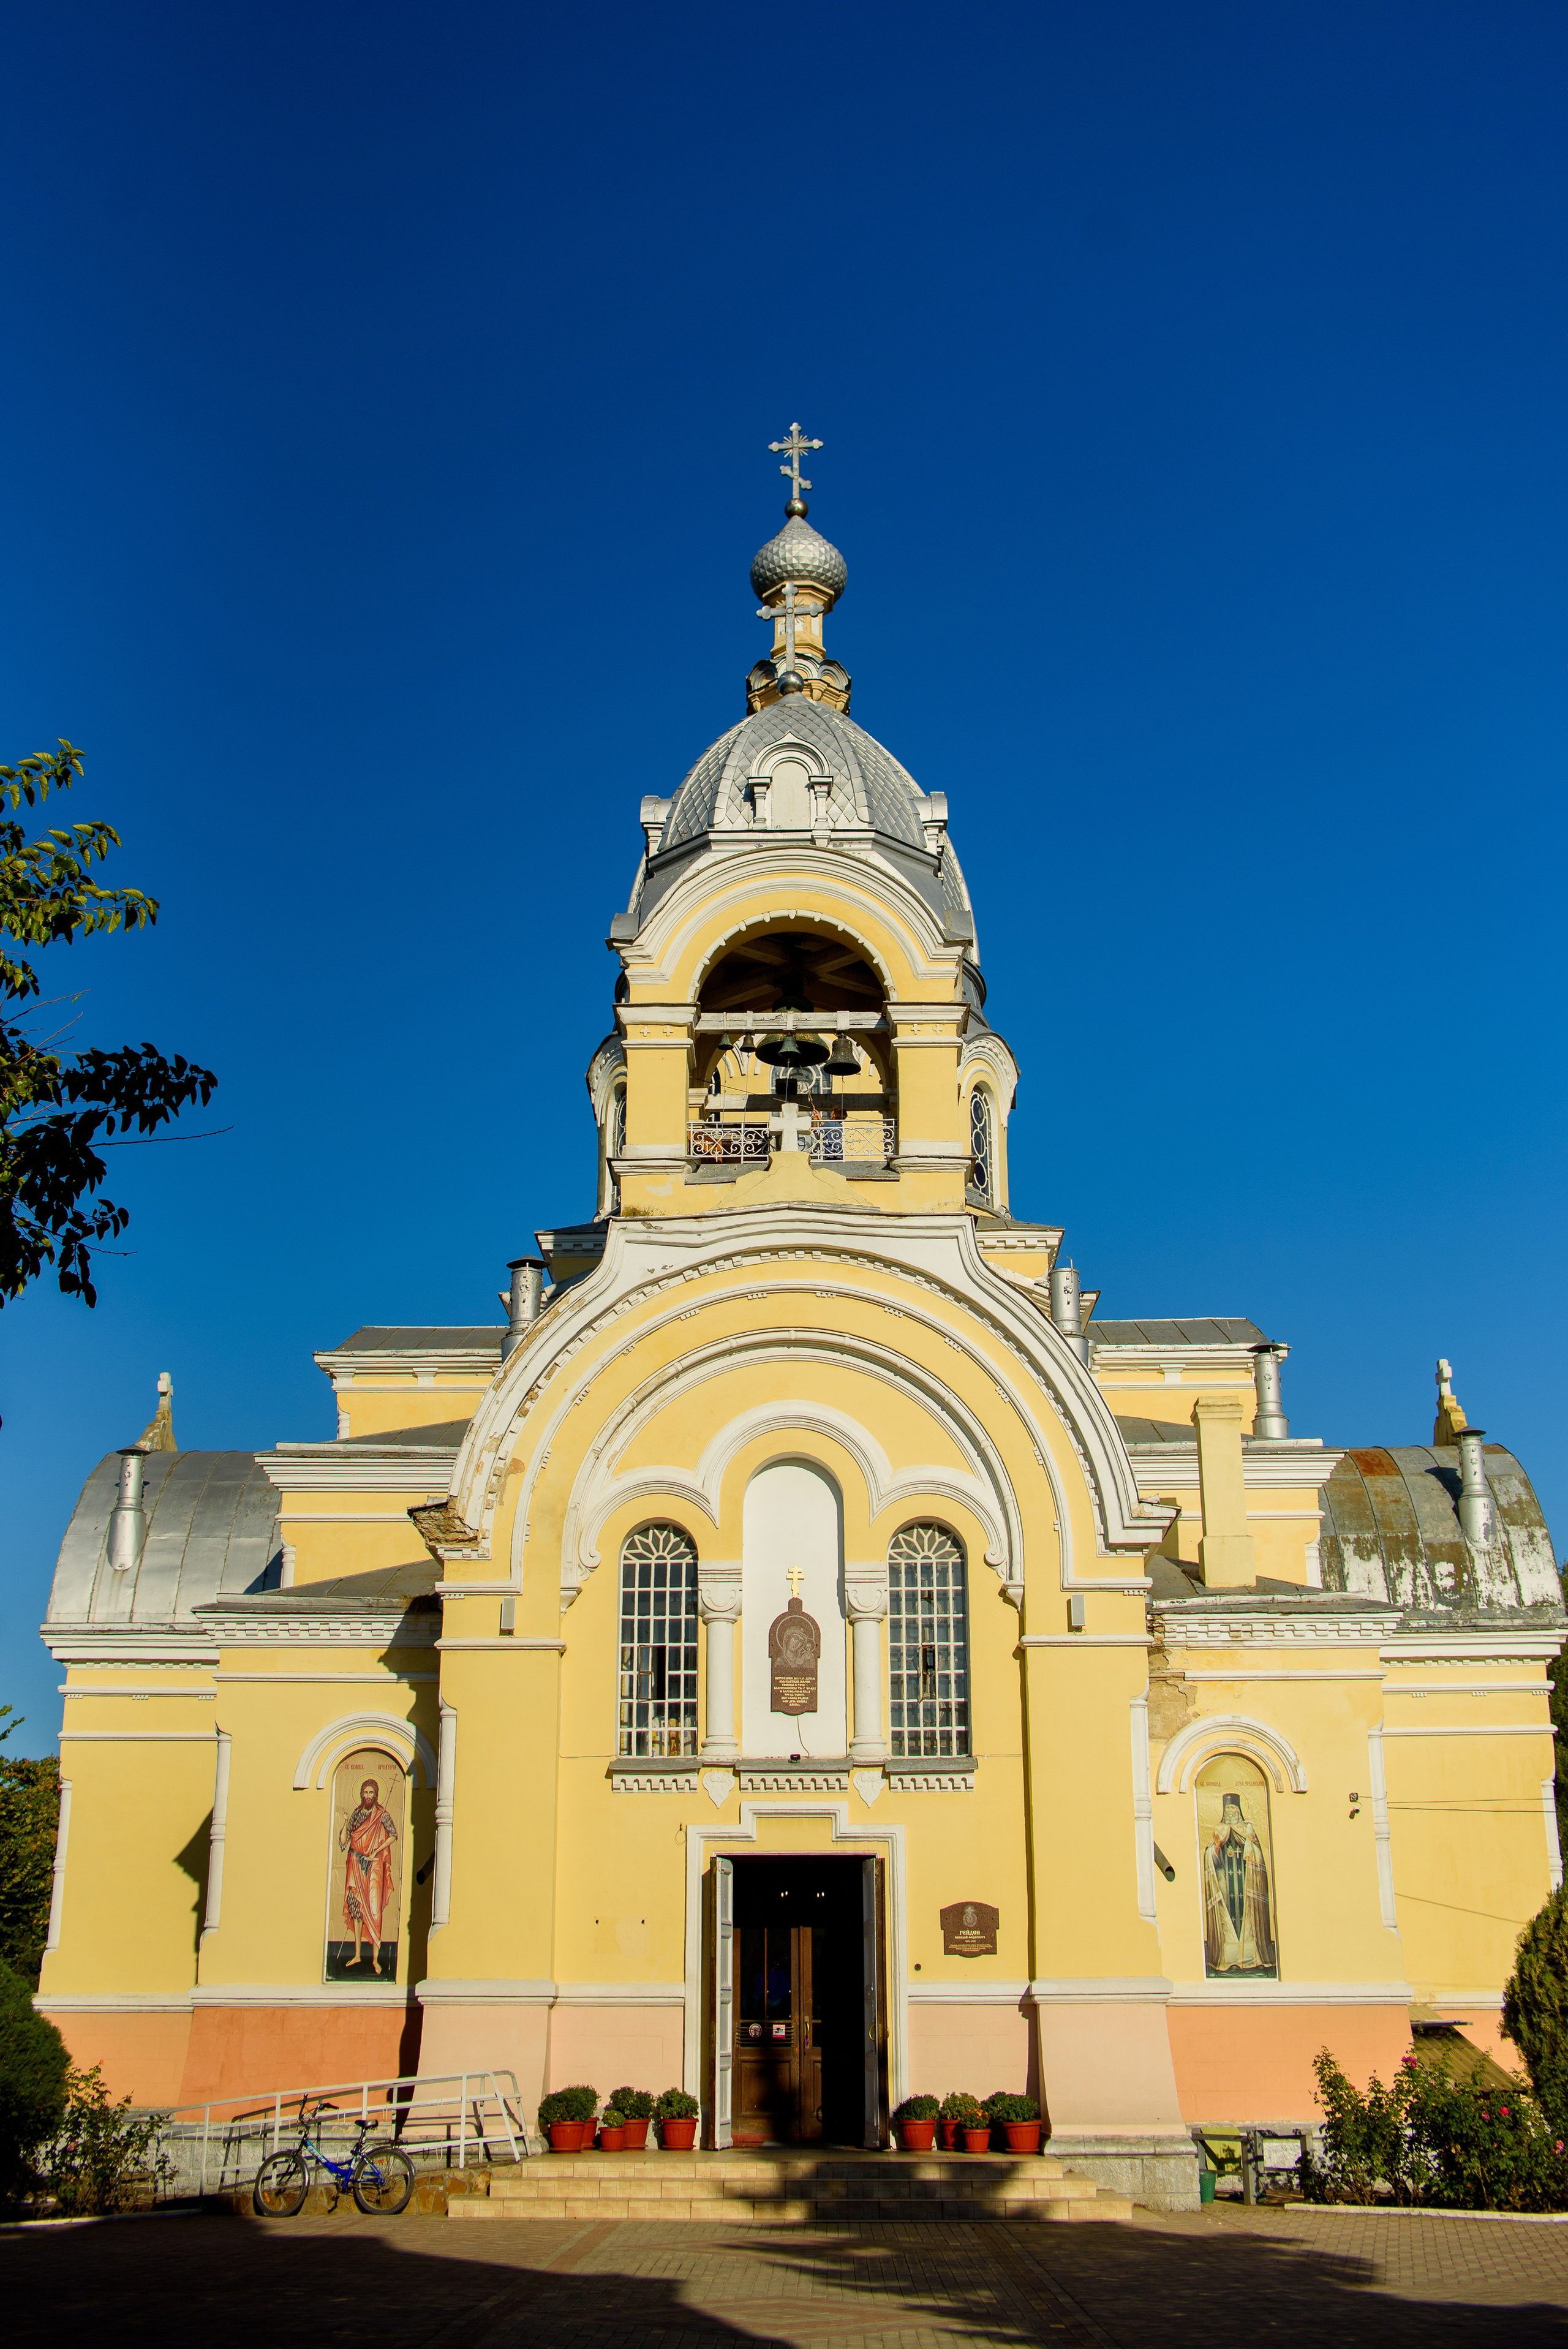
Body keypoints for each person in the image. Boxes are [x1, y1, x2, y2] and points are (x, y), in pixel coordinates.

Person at [1202, 1790, 1276, 1975]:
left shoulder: (1248, 1829)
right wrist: (1216, 1848)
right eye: (1228, 1810)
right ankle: (1229, 1961)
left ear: (1239, 1810)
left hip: (1246, 1882)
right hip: (1226, 1885)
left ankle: (1255, 1959)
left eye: (1234, 1809)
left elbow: (1258, 1855)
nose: (1231, 1813)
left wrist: (1250, 1848)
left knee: (1250, 1919)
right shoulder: (1219, 1830)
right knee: (1227, 1919)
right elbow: (1210, 1856)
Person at [339, 1775, 398, 1974]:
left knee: (374, 1910)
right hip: (356, 1864)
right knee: (356, 1909)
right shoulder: (356, 1815)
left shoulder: (382, 1815)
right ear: (361, 1794)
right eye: (365, 1792)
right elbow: (344, 1841)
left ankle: (375, 1959)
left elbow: (393, 1835)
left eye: (371, 1792)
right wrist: (345, 1822)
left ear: (376, 1795)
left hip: (373, 1866)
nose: (368, 1795)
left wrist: (377, 1851)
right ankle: (357, 1954)